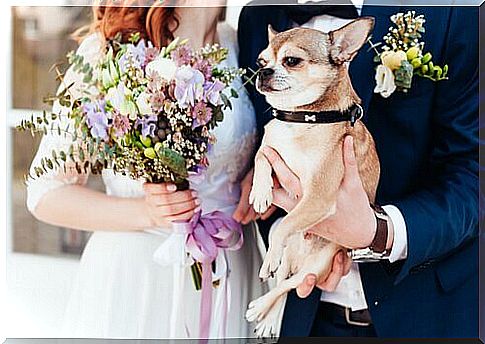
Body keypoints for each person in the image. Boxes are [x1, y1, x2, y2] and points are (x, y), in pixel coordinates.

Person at [236, 0, 478, 338]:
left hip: (428, 313)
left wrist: (377, 232)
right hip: (309, 314)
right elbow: (271, 137)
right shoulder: (258, 15)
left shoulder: (452, 10)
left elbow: (473, 173)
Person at [26, 0, 266, 338]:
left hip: (231, 268)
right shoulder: (109, 50)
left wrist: (261, 172)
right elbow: (44, 193)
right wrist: (148, 211)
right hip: (141, 275)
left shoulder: (243, 44)